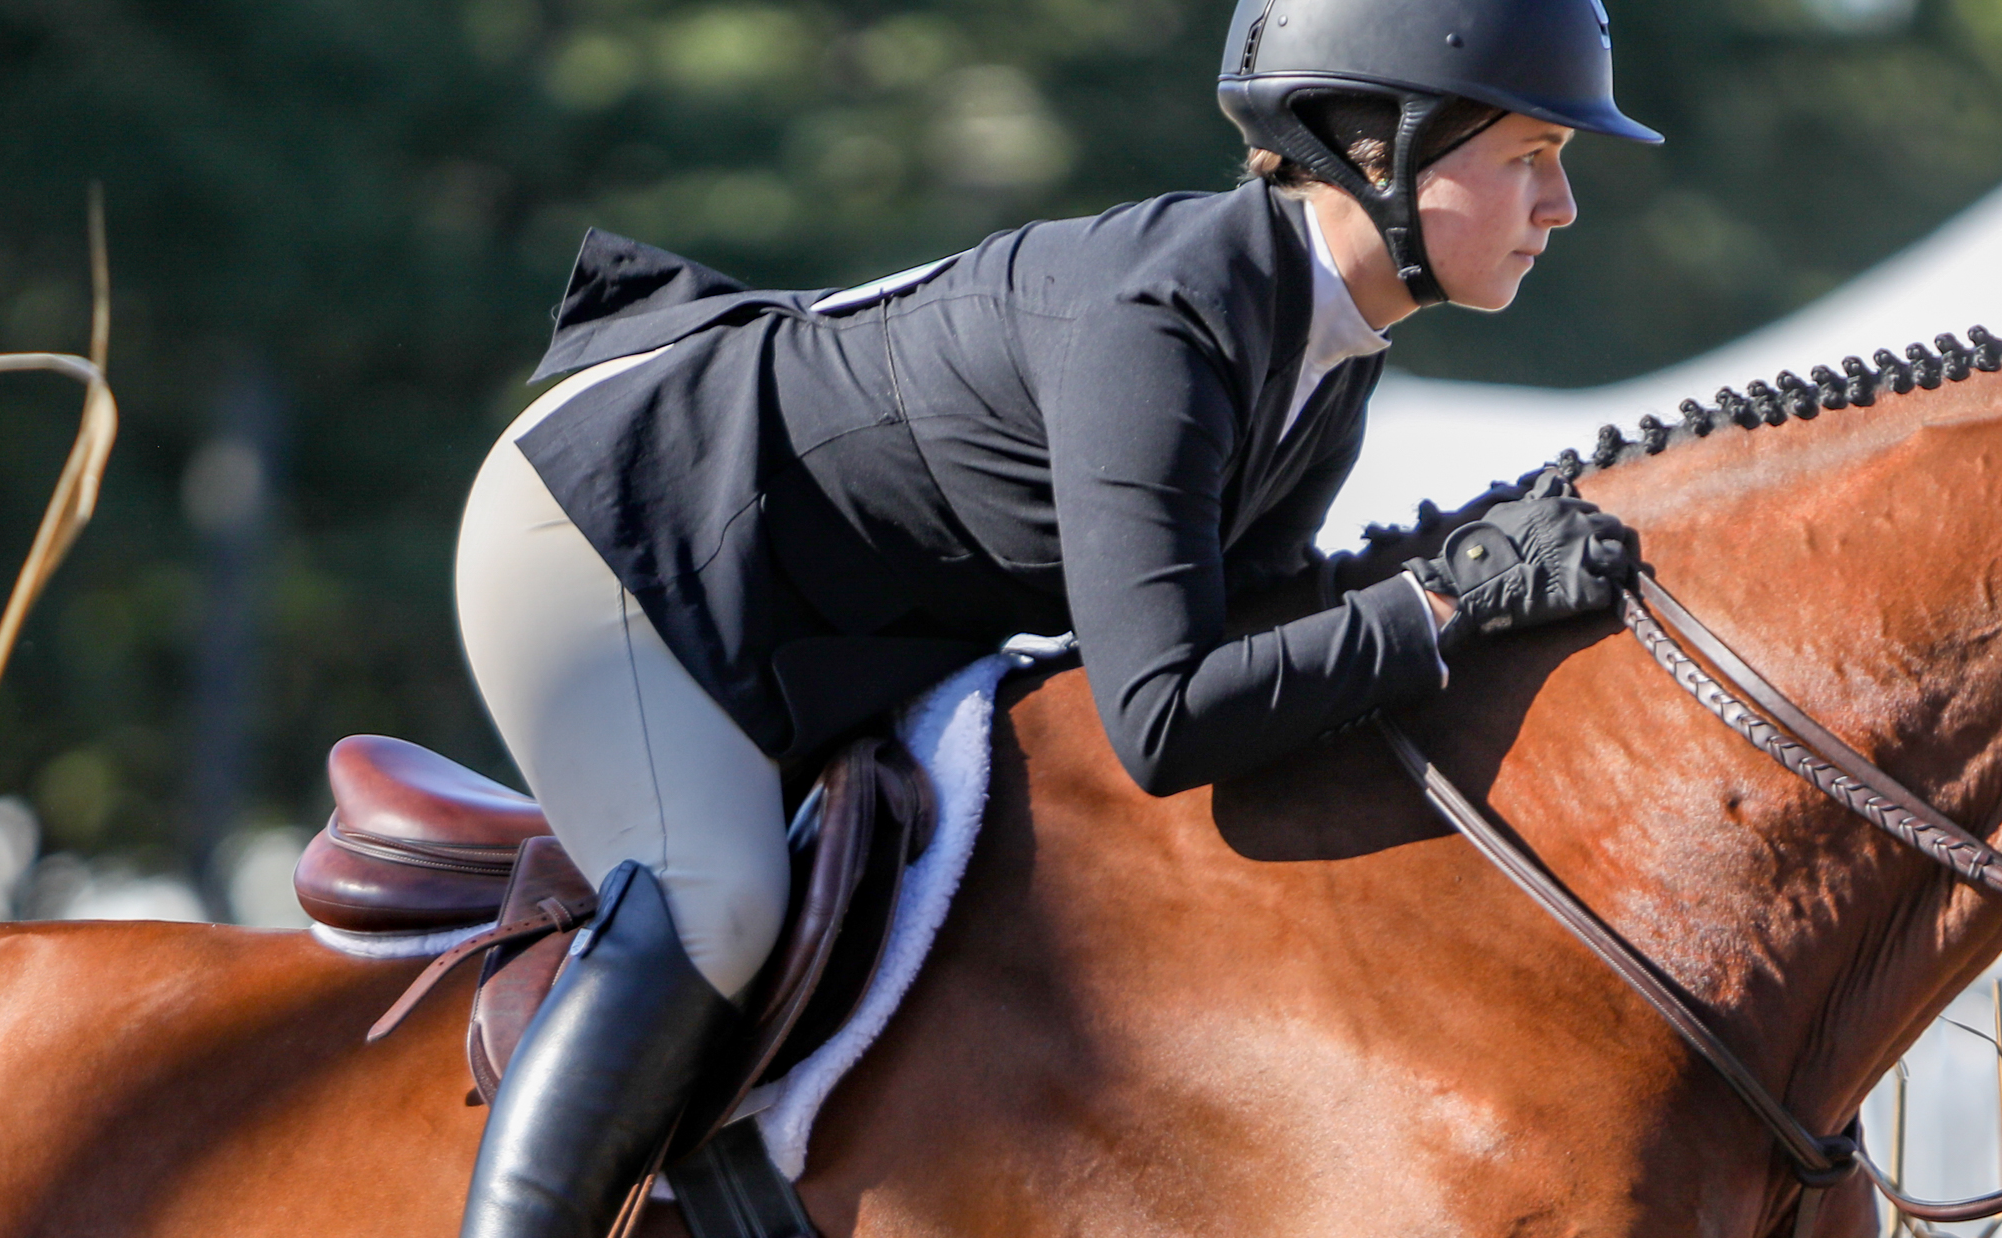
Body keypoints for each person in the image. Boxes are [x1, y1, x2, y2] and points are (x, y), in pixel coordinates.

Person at [445, 0, 1652, 1231]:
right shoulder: (1165, 321)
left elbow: (1257, 630)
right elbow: (1165, 717)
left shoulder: (1322, 345)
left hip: (806, 606)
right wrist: (1448, 599)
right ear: (1377, 147)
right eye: (1528, 157)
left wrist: (1460, 598)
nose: (1559, 206)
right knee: (718, 895)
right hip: (615, 529)